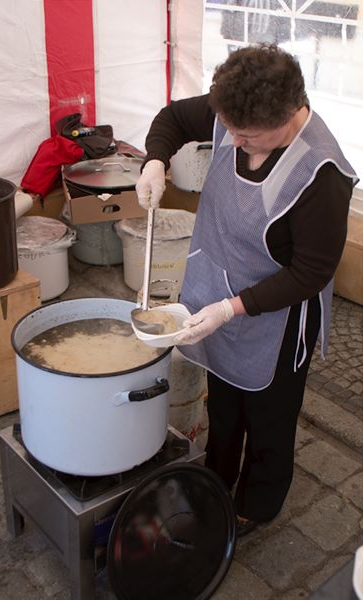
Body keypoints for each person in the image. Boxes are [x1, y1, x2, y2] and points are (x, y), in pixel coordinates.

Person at [135, 44, 358, 536]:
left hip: (276, 318)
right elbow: (173, 117)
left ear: (288, 115)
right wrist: (155, 161)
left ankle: (259, 502)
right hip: (218, 288)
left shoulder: (322, 174)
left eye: (247, 135)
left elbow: (311, 274)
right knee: (225, 399)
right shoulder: (234, 112)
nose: (231, 140)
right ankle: (217, 478)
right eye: (228, 128)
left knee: (270, 416)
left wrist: (232, 309)